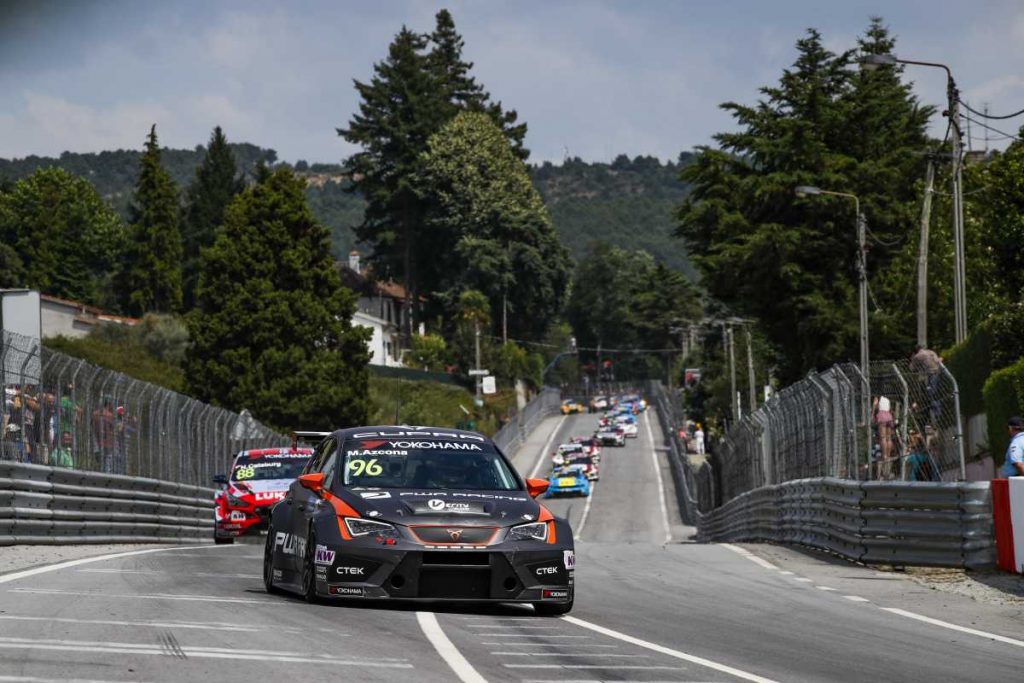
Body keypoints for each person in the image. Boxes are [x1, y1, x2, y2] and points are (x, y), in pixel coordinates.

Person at [873, 396, 894, 479]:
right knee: (889, 438)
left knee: (883, 438)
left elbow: (873, 415)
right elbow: (889, 408)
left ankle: (884, 455)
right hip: (889, 416)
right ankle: (888, 454)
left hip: (882, 415)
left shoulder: (878, 399)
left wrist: (874, 406)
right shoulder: (887, 399)